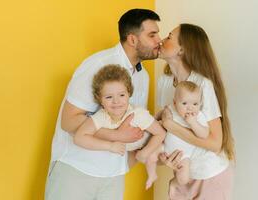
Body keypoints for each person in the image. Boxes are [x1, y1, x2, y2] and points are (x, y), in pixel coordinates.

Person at [45, 8, 161, 200]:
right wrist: (116, 135)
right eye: (152, 35)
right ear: (132, 39)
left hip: (113, 175)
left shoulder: (143, 77)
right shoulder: (98, 64)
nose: (159, 40)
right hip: (77, 169)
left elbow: (132, 127)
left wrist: (150, 150)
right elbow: (68, 120)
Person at [157, 23, 235, 199]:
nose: (161, 40)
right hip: (183, 174)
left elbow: (215, 143)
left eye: (169, 37)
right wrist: (164, 158)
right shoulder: (164, 82)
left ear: (182, 50)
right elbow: (165, 133)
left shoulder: (203, 84)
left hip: (210, 175)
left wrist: (171, 126)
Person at [74, 64, 166, 190]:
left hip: (160, 144)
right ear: (100, 99)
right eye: (109, 97)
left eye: (122, 95)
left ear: (129, 94)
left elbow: (161, 133)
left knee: (152, 156)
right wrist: (110, 146)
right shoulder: (102, 116)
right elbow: (79, 138)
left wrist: (145, 152)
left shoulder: (137, 115)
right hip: (137, 150)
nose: (116, 101)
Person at [163, 81, 209, 186]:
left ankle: (174, 183)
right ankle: (152, 174)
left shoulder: (198, 117)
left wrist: (193, 123)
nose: (190, 108)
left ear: (200, 104)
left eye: (195, 104)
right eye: (184, 103)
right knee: (150, 156)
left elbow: (204, 134)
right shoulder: (172, 109)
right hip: (163, 147)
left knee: (183, 179)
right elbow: (162, 115)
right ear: (175, 103)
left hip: (183, 154)